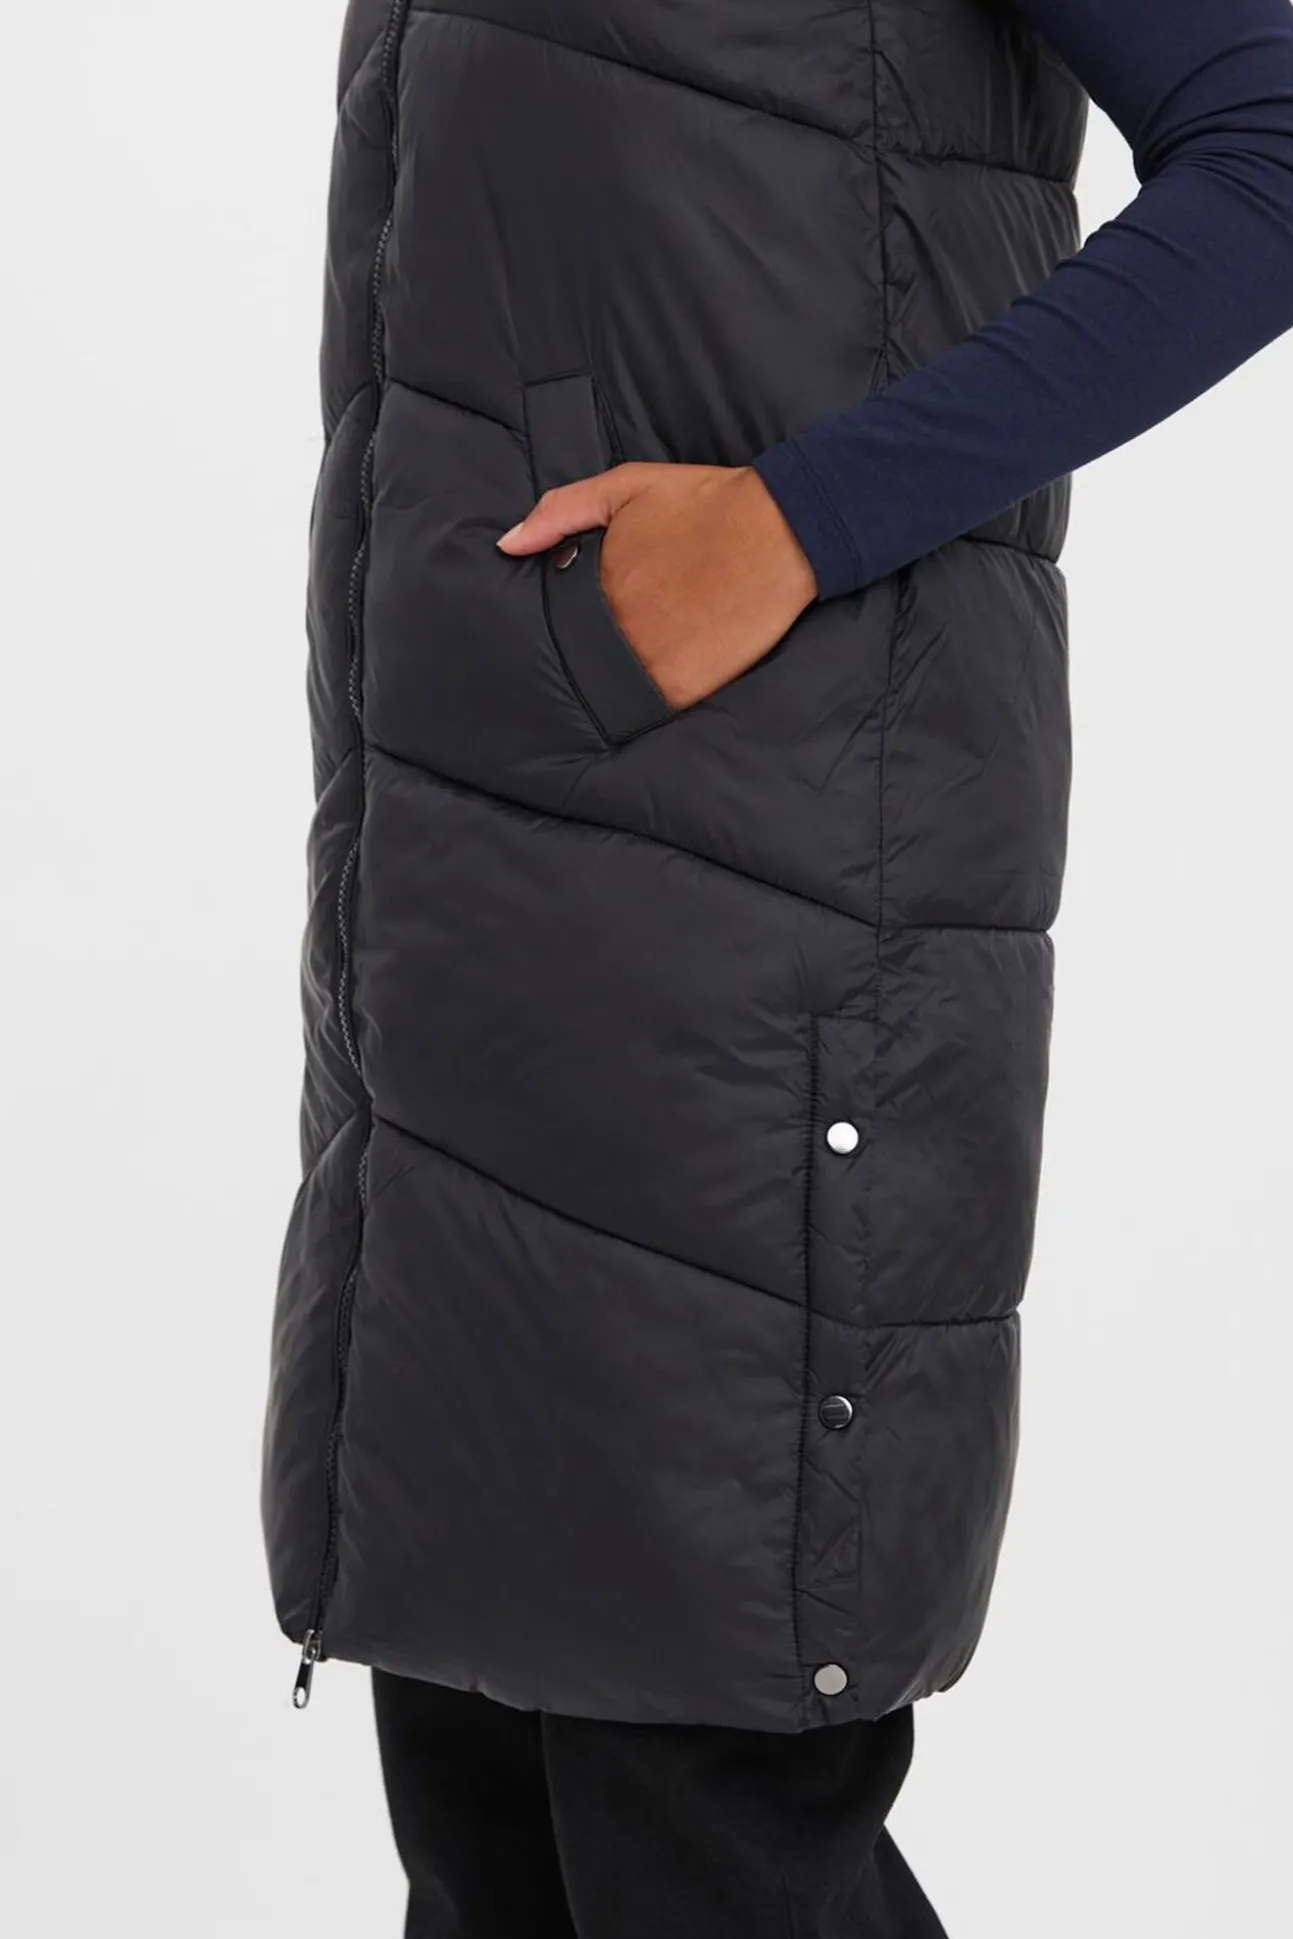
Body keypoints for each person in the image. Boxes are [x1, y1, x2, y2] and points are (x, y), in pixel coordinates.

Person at [262, 0, 1293, 1931]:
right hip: (473, 933)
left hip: (767, 897)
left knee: (702, 1814)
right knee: (495, 1819)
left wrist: (798, 524)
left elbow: (1274, 143)